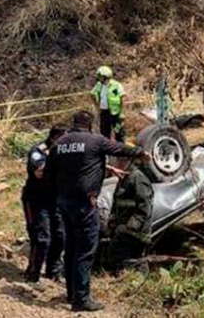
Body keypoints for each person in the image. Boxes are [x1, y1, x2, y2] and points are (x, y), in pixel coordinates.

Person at [45, 110, 149, 312]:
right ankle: (81, 299)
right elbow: (118, 148)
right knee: (85, 250)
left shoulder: (59, 145)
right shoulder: (95, 140)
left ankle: (71, 293)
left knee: (72, 248)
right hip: (85, 203)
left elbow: (49, 175)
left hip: (64, 203)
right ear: (90, 125)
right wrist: (140, 153)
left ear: (73, 123)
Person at [22, 125, 67, 285]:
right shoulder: (37, 151)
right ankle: (33, 272)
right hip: (36, 200)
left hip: (54, 200)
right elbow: (39, 172)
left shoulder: (63, 153)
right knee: (41, 238)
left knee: (60, 235)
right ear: (53, 138)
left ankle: (53, 270)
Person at [106, 158, 154, 275]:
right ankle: (130, 281)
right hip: (125, 228)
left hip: (137, 231)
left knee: (123, 253)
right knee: (128, 257)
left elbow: (144, 208)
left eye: (123, 160)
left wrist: (129, 228)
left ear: (131, 161)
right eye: (118, 160)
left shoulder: (138, 178)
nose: (119, 163)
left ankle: (134, 282)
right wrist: (112, 223)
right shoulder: (124, 178)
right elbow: (117, 204)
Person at [91, 66, 126, 142]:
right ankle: (107, 151)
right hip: (104, 113)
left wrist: (122, 112)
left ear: (105, 77)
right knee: (105, 133)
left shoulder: (116, 85)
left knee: (118, 132)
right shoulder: (99, 85)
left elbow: (122, 98)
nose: (99, 78)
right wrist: (97, 107)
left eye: (100, 77)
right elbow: (92, 94)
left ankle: (121, 150)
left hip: (116, 114)